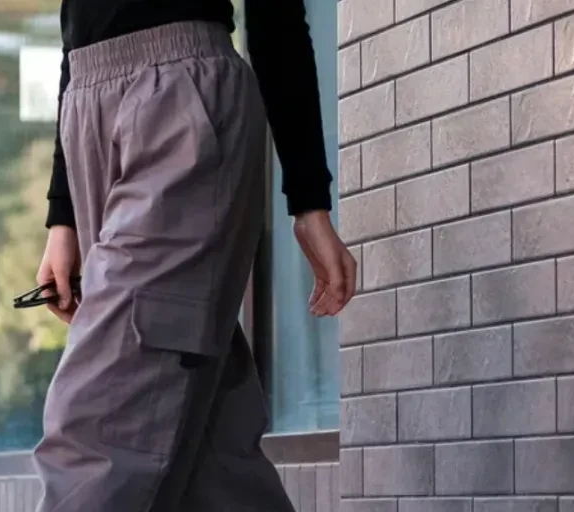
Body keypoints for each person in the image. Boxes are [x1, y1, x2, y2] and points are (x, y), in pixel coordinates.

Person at [32, 0, 356, 510]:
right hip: (88, 100)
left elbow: (278, 14)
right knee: (211, 459)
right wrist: (63, 213)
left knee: (100, 425)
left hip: (183, 98)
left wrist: (308, 196)